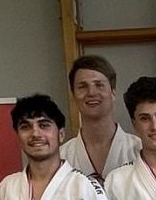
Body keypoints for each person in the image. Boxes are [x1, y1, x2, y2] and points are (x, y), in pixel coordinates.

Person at [59, 54, 142, 183]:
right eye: (82, 86)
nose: (91, 92)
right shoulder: (62, 157)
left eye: (99, 85)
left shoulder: (140, 151)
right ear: (73, 96)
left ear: (113, 92)